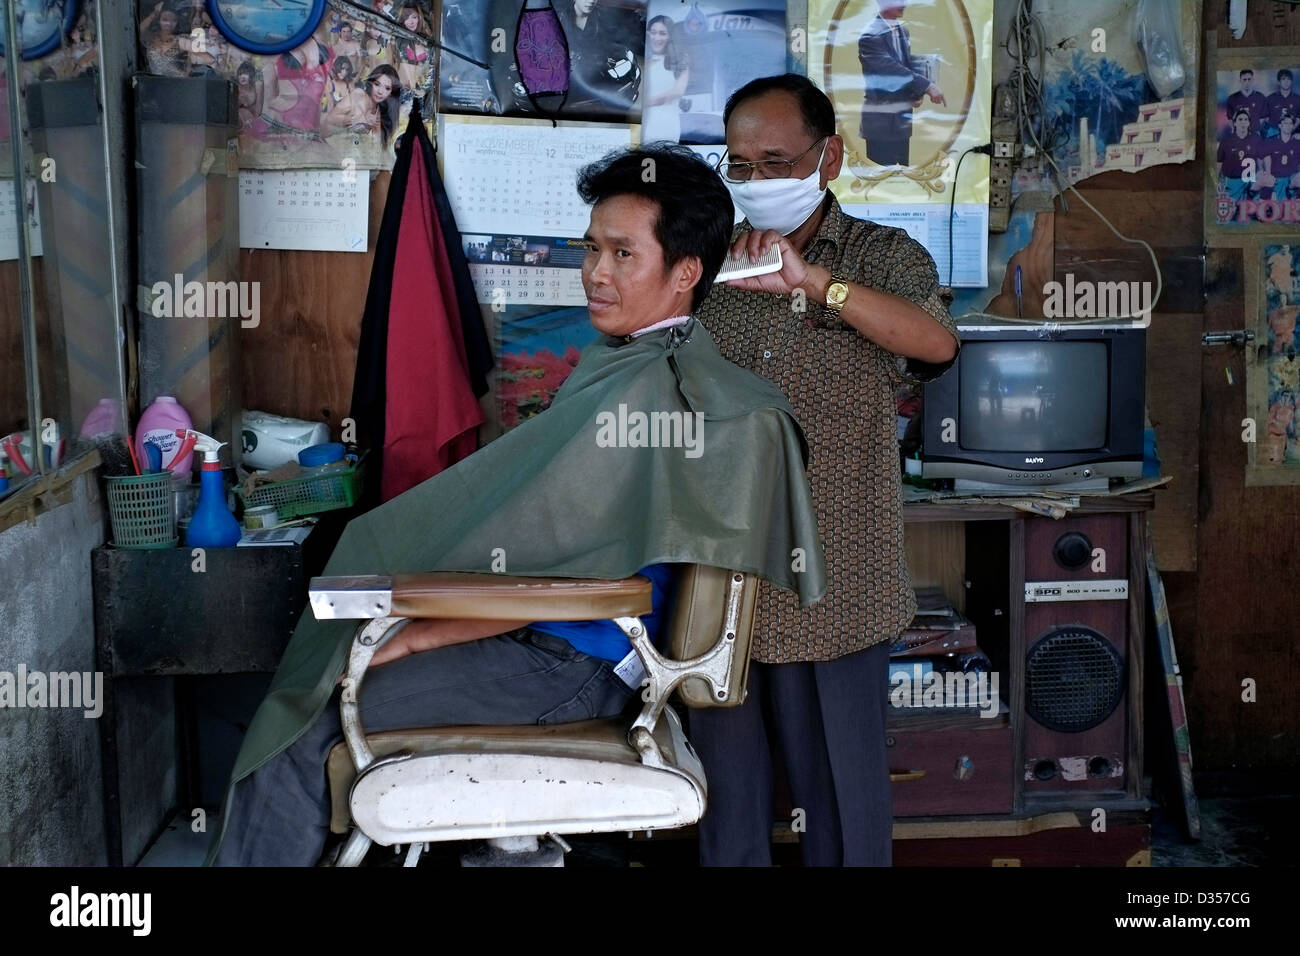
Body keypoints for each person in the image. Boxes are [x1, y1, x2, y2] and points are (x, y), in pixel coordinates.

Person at [206, 144, 826, 866]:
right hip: (561, 646)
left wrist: (415, 636)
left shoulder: (652, 389)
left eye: (624, 254)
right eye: (592, 248)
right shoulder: (643, 367)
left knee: (302, 727)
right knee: (320, 680)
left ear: (685, 272)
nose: (596, 271)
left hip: (570, 664)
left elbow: (562, 570)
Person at [692, 73, 959, 867]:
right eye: (740, 166)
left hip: (838, 584)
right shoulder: (710, 269)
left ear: (830, 157)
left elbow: (937, 345)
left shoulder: (886, 256)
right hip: (725, 584)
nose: (757, 182)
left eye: (777, 161)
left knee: (840, 810)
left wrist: (814, 282)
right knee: (727, 810)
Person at [856, 1, 944, 166]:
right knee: (882, 183)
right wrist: (927, 86)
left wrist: (916, 94)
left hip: (902, 123)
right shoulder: (870, 34)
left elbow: (906, 66)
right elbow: (890, 69)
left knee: (902, 181)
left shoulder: (903, 31)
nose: (903, 3)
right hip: (880, 123)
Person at [324, 63, 402, 145]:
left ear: (391, 92)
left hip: (347, 148)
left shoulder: (378, 111)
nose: (380, 91)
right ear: (371, 83)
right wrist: (358, 119)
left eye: (387, 88)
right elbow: (329, 119)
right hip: (328, 143)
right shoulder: (359, 94)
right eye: (377, 84)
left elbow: (377, 142)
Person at [641, 15, 689, 144]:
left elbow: (678, 91)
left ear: (670, 36)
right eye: (653, 33)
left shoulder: (679, 60)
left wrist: (643, 103)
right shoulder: (644, 61)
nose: (657, 38)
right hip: (642, 126)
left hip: (665, 125)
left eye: (662, 33)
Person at [1217, 107, 1265, 201]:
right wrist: (1217, 182)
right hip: (1233, 181)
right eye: (1240, 119)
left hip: (1251, 180)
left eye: (1246, 119)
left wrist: (1262, 172)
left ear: (1249, 122)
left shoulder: (1256, 138)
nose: (1243, 122)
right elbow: (1219, 163)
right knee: (1231, 212)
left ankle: (1253, 198)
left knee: (1266, 180)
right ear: (1234, 123)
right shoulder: (1226, 141)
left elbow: (1260, 158)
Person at [1264, 111, 1300, 201]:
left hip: (1291, 177)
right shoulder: (1271, 141)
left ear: (1293, 126)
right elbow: (1266, 158)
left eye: (1290, 123)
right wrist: (1268, 174)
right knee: (1280, 209)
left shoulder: (1297, 142)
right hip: (1277, 178)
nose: (1288, 126)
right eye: (1285, 123)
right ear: (1280, 125)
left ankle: (1291, 190)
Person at [1225, 68, 1268, 138]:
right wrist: (1238, 130)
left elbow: (1263, 118)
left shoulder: (1261, 97)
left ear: (1253, 80)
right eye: (1244, 80)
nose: (1247, 82)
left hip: (1255, 134)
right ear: (1240, 81)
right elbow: (1230, 119)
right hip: (1238, 135)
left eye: (1249, 79)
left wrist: (1253, 129)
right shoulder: (1232, 98)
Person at [1266, 69, 1299, 139]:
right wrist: (1277, 130)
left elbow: (1299, 118)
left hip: (1293, 134)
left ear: (1292, 81)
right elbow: (1266, 118)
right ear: (1278, 82)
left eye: (1288, 79)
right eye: (1283, 79)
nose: (1286, 82)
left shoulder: (1298, 99)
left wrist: (1290, 130)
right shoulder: (1270, 99)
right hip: (1274, 134)